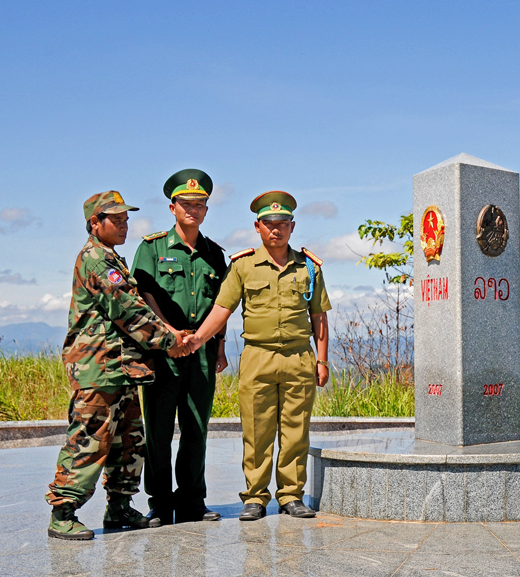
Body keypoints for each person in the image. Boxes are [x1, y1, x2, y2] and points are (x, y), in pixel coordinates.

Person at [46, 191, 187, 540]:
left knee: (129, 442)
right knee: (89, 439)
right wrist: (171, 342)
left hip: (123, 368)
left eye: (126, 219)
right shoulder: (96, 260)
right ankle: (63, 512)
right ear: (95, 223)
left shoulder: (112, 259)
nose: (125, 225)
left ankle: (119, 506)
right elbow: (128, 311)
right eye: (116, 219)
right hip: (98, 368)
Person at [184, 190, 331, 520]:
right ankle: (255, 497)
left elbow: (319, 317)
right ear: (257, 227)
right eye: (268, 224)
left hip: (298, 358)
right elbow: (222, 309)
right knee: (257, 431)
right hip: (258, 357)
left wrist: (322, 360)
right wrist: (197, 339)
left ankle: (291, 496)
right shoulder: (243, 266)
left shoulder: (308, 267)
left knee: (296, 432)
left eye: (282, 224)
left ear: (292, 227)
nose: (275, 230)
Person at [131, 169, 228, 526]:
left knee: (196, 426)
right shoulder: (151, 247)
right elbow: (144, 294)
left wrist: (217, 346)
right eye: (186, 204)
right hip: (163, 352)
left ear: (206, 209)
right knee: (158, 428)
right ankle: (159, 501)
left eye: (199, 204)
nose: (193, 210)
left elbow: (223, 303)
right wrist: (169, 334)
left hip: (200, 350)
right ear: (172, 207)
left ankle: (192, 499)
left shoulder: (215, 253)